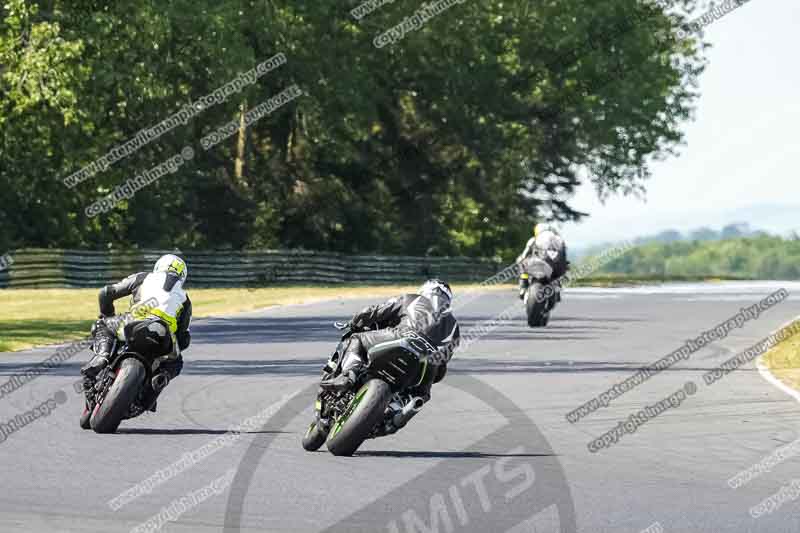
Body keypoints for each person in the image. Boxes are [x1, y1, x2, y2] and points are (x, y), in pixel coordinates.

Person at [80, 254, 192, 412]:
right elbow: (184, 338)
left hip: (133, 323)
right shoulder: (185, 299)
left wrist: (108, 315)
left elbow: (106, 293)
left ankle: (102, 357)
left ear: (158, 267)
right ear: (182, 276)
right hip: (163, 336)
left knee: (102, 324)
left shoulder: (143, 277)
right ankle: (157, 383)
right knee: (176, 362)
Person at [322, 279, 460, 405]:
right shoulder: (454, 326)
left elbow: (372, 312)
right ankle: (402, 409)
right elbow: (441, 369)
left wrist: (354, 323)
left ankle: (348, 375)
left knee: (357, 339)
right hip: (428, 363)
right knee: (420, 395)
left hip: (401, 338)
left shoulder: (412, 299)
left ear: (424, 291)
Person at [516, 223, 568, 299]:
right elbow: (564, 256)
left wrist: (520, 260)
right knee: (559, 274)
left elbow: (524, 255)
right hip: (558, 268)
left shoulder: (534, 239)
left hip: (540, 265)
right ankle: (557, 291)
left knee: (523, 265)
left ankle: (523, 287)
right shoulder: (560, 240)